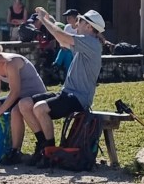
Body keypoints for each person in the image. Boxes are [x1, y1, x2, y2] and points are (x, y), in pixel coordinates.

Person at [22, 8, 106, 161]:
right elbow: (62, 39)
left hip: (79, 99)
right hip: (67, 93)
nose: (76, 23)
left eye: (80, 21)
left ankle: (50, 150)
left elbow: (60, 35)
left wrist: (43, 19)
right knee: (24, 104)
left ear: (88, 27)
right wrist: (50, 19)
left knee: (39, 108)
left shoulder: (91, 42)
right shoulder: (85, 42)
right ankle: (42, 143)